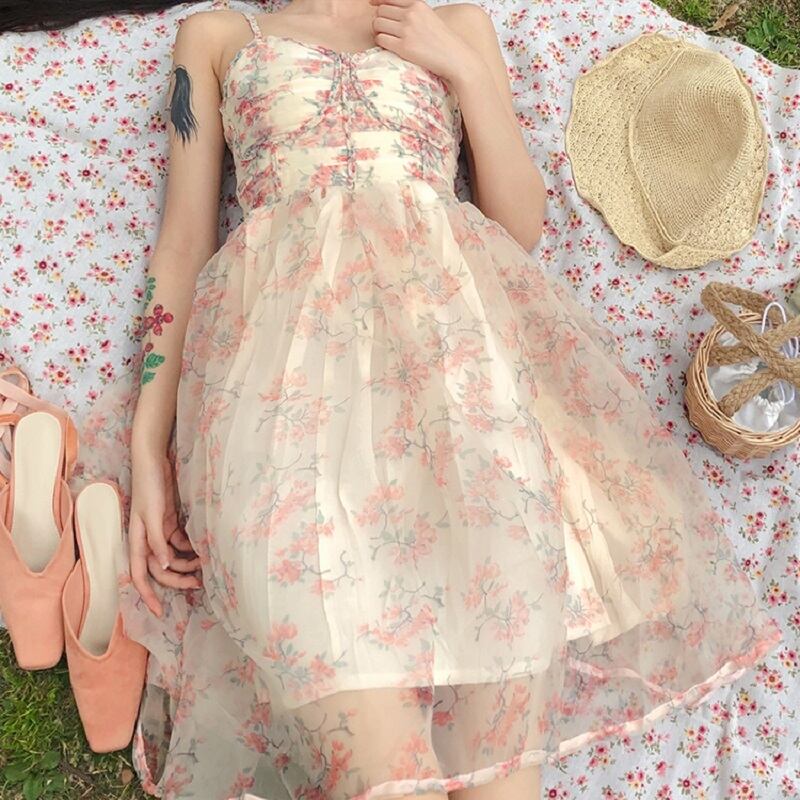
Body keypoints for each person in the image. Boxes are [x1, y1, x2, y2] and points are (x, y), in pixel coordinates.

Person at [78, 1, 782, 798]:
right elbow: (182, 245)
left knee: (501, 780)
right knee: (382, 779)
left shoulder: (456, 24)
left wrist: (466, 70)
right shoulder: (219, 37)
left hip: (465, 397)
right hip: (284, 410)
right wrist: (149, 445)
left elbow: (518, 224)